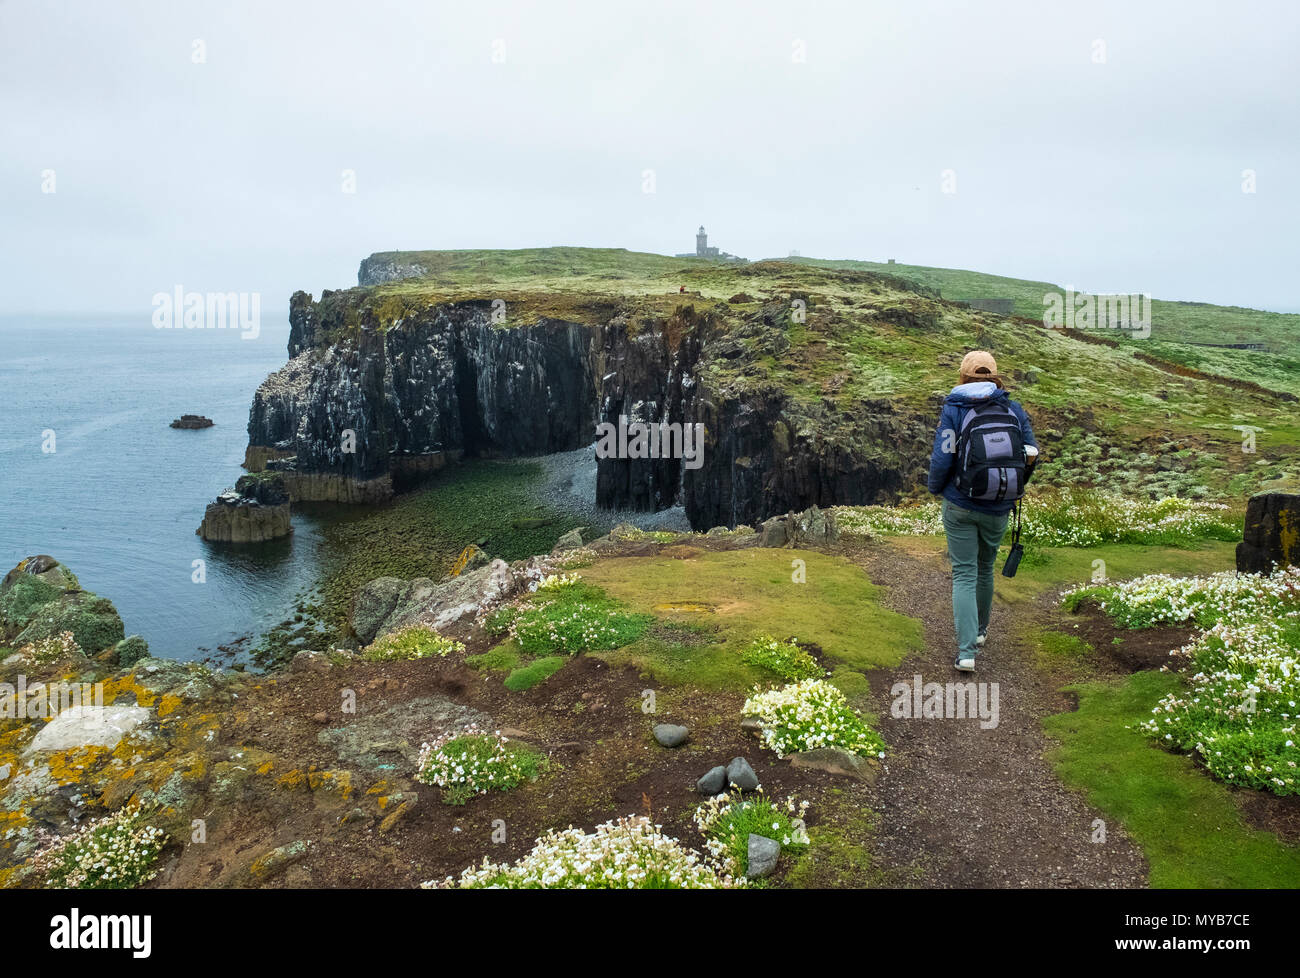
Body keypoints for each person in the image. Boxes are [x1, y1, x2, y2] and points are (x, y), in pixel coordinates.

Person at [926, 351, 1037, 672]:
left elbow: (943, 456)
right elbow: (1031, 453)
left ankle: (966, 652)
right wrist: (1015, 488)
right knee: (985, 568)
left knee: (964, 572)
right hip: (999, 504)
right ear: (994, 376)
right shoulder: (1012, 408)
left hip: (960, 503)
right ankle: (981, 632)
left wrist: (936, 488)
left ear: (962, 376)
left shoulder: (955, 408)